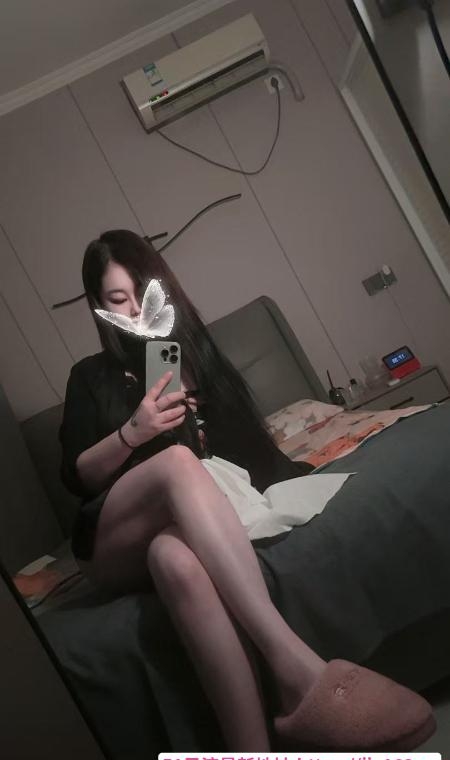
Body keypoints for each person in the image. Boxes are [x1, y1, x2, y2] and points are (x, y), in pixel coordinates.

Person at [59, 229, 435, 751]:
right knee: (176, 464)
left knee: (175, 559)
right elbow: (76, 476)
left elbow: (251, 456)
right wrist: (133, 432)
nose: (136, 310)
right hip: (112, 537)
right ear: (100, 308)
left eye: (142, 293)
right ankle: (297, 668)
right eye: (117, 299)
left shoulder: (194, 358)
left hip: (177, 523)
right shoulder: (91, 376)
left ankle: (249, 747)